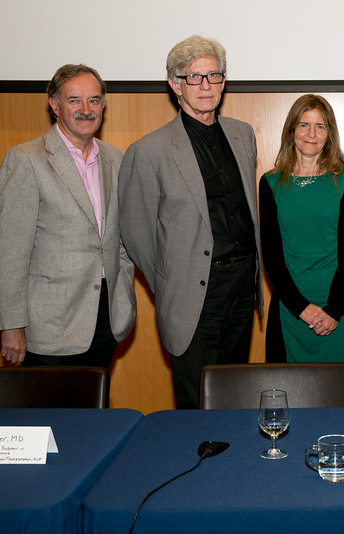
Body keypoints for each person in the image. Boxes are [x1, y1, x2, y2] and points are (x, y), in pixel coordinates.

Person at [118, 36, 262, 409]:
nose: (205, 86)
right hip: (193, 291)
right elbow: (136, 234)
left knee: (233, 392)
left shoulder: (242, 134)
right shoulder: (149, 151)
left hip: (243, 284)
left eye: (213, 75)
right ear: (174, 84)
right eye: (194, 77)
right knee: (197, 402)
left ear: (224, 81)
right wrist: (170, 280)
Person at [0, 64, 136, 369]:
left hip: (106, 320)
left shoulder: (114, 158)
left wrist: (123, 291)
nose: (86, 109)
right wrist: (12, 325)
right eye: (74, 100)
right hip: (49, 328)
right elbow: (8, 253)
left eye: (94, 100)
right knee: (51, 417)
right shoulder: (27, 160)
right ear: (54, 105)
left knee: (98, 415)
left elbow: (119, 240)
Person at [259, 94, 344, 363]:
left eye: (320, 126)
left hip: (337, 312)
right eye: (304, 125)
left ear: (329, 134)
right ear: (292, 131)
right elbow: (271, 256)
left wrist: (333, 311)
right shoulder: (270, 184)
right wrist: (302, 309)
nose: (311, 134)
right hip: (290, 312)